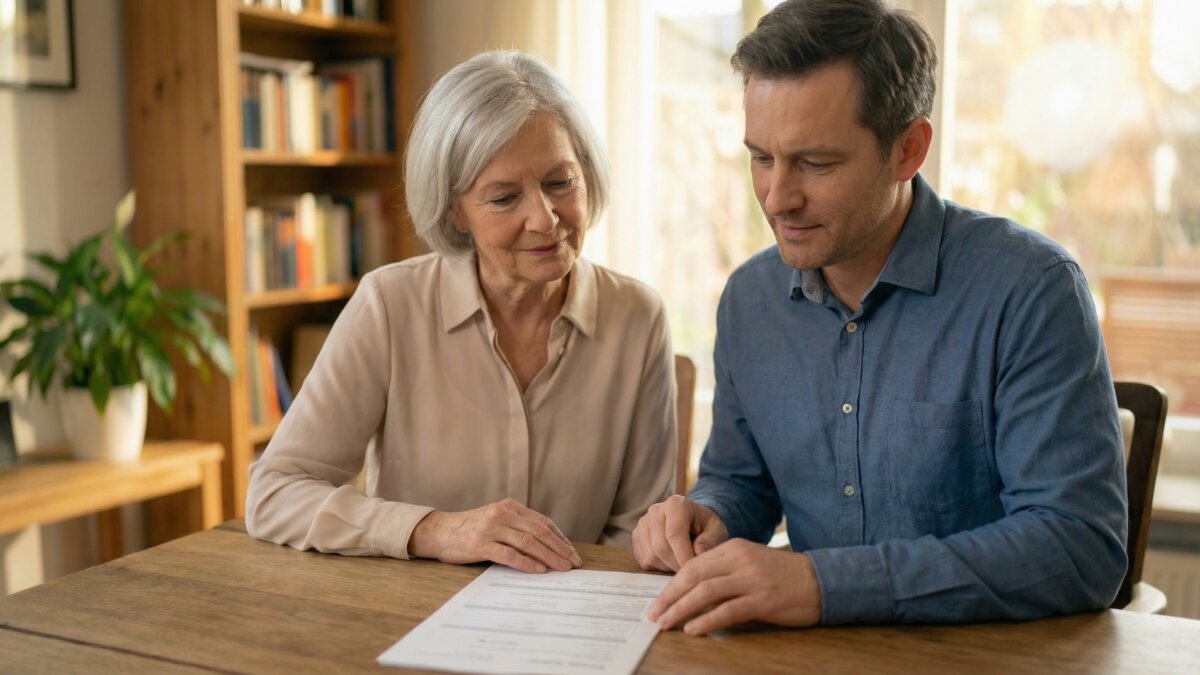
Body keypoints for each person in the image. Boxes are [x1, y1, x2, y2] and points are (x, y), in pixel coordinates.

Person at [633, 0, 1127, 633]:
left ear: (908, 150)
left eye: (816, 163)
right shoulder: (751, 300)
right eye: (761, 158)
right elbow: (742, 482)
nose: (777, 199)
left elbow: (1078, 547)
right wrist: (707, 516)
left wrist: (824, 585)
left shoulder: (1030, 290)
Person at [246, 51, 677, 574]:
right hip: (413, 610)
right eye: (504, 198)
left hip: (576, 608)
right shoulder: (389, 305)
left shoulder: (637, 317)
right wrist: (437, 530)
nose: (544, 219)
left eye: (560, 182)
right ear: (454, 210)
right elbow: (275, 493)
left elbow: (640, 531)